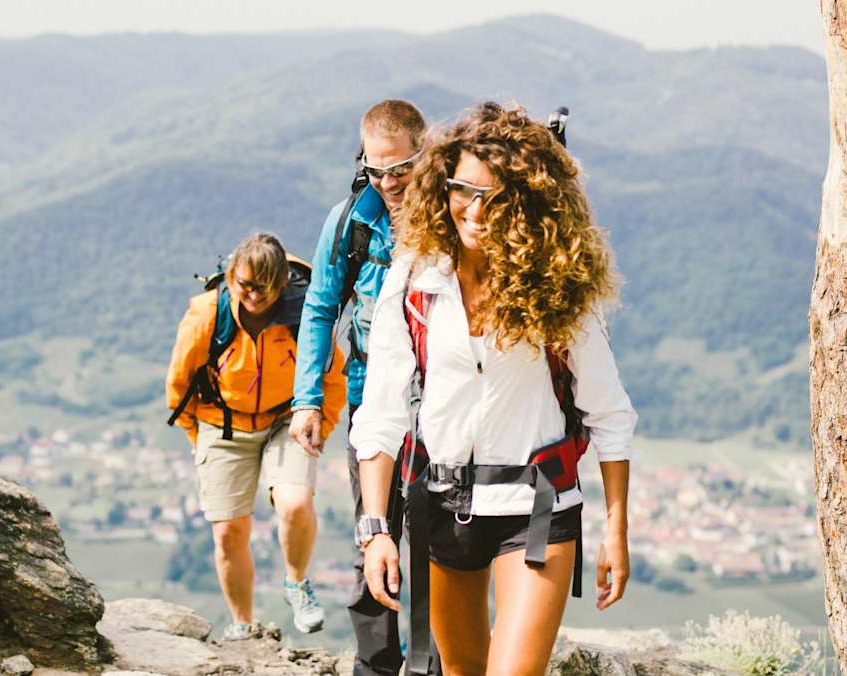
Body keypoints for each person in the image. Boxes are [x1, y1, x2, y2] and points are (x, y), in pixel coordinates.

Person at [351, 102, 637, 676]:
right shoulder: (414, 280)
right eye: (464, 190)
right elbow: (380, 415)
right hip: (440, 508)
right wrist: (376, 530)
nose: (477, 210)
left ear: (527, 202)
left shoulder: (558, 288)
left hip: (537, 508)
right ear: (442, 188)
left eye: (497, 196)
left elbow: (610, 415)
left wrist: (616, 531)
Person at [289, 99, 432, 675]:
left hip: (445, 402)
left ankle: (432, 660)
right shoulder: (350, 219)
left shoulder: (455, 214)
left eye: (402, 169)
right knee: (373, 530)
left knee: (439, 533)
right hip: (371, 394)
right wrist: (307, 400)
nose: (390, 182)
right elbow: (321, 307)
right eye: (377, 170)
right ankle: (375, 665)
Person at [167, 232, 347, 640]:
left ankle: (296, 583)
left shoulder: (305, 313)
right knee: (229, 531)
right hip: (222, 420)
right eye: (243, 285)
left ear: (281, 283)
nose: (251, 296)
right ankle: (243, 626)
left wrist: (323, 424)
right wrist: (199, 437)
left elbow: (332, 378)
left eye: (262, 288)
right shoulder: (207, 314)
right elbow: (178, 383)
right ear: (231, 277)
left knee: (296, 502)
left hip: (289, 417)